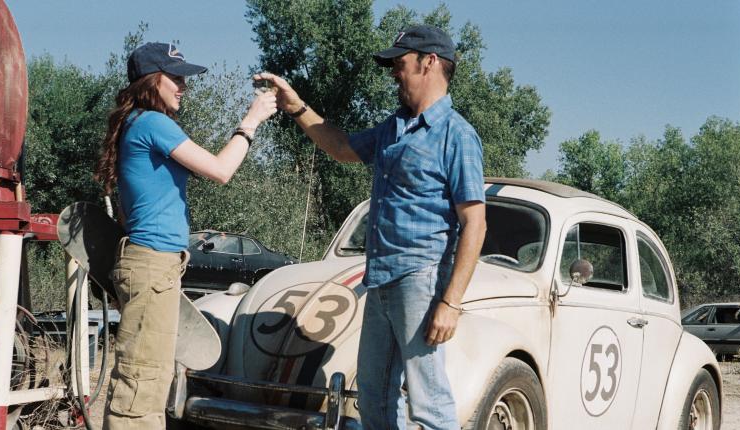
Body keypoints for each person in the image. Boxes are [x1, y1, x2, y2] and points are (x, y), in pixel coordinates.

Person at [257, 24, 486, 430]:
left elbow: (475, 224)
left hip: (422, 279)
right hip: (379, 278)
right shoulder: (392, 127)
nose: (393, 73)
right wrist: (295, 106)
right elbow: (341, 147)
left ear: (429, 62)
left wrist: (450, 303)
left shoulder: (457, 135)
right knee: (375, 400)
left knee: (428, 404)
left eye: (400, 64)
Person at [94, 42, 277, 430]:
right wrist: (252, 120)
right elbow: (221, 170)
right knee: (141, 387)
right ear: (151, 80)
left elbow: (129, 209)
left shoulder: (135, 124)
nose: (183, 86)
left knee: (147, 379)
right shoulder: (153, 123)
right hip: (153, 265)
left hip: (151, 264)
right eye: (175, 77)